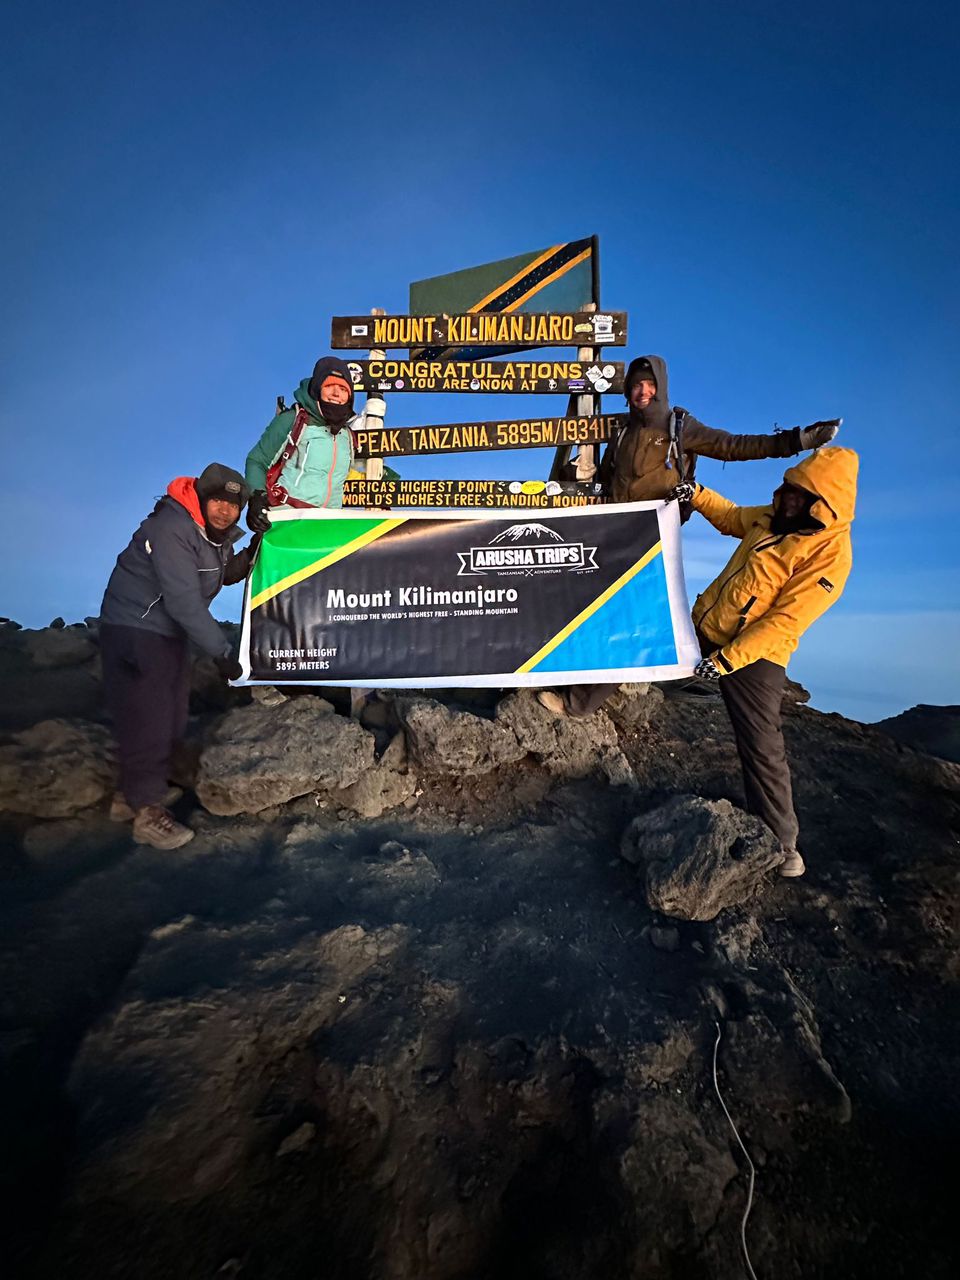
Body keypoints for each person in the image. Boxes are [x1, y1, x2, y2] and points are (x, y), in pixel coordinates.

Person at [537, 353, 841, 717]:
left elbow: (735, 446)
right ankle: (584, 677)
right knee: (600, 611)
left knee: (638, 619)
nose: (642, 391)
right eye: (635, 385)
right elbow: (608, 480)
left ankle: (578, 702)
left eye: (650, 385)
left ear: (661, 388)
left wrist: (794, 441)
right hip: (613, 535)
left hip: (654, 541)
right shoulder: (620, 431)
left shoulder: (680, 427)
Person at [677, 445, 859, 877]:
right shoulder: (775, 516)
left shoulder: (831, 555)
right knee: (643, 660)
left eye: (801, 496)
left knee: (761, 742)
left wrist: (727, 661)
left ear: (825, 505)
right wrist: (696, 493)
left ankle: (783, 844)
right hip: (706, 626)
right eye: (789, 490)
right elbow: (732, 517)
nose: (789, 499)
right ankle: (578, 702)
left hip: (755, 654)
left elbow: (785, 621)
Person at [99, 463, 258, 850]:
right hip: (135, 628)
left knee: (172, 713)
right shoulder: (172, 527)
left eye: (233, 505)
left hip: (168, 632)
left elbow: (223, 575)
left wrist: (255, 548)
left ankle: (131, 795)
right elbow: (184, 600)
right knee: (150, 716)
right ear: (202, 499)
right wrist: (222, 651)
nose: (225, 510)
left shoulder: (215, 537)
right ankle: (147, 813)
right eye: (218, 501)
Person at [245, 356, 384, 530]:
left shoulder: (346, 436)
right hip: (288, 520)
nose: (336, 393)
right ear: (317, 389)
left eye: (342, 388)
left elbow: (348, 474)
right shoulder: (294, 420)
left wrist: (386, 485)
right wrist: (256, 498)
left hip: (326, 528)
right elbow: (257, 460)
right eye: (329, 386)